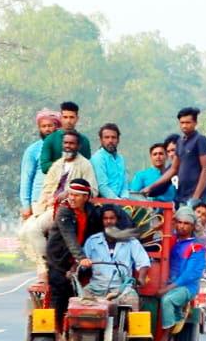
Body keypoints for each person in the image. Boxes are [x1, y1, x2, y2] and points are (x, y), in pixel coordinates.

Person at [19, 131, 98, 273]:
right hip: (47, 207)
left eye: (72, 143)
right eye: (66, 143)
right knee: (23, 231)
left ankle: (45, 266)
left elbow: (92, 190)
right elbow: (46, 189)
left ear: (78, 146)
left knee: (33, 230)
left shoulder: (85, 165)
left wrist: (70, 193)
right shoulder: (57, 165)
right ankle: (41, 263)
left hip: (66, 209)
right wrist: (40, 207)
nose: (68, 146)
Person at [45, 179, 102, 329]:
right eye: (70, 194)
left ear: (86, 197)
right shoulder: (64, 211)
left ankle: (78, 330)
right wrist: (82, 258)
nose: (71, 198)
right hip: (59, 261)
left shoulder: (91, 211)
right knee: (60, 295)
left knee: (81, 296)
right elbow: (69, 237)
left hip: (78, 262)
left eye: (76, 195)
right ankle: (55, 333)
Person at [153, 206, 206, 341]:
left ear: (192, 226)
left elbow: (190, 275)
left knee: (168, 300)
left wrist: (167, 289)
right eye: (180, 222)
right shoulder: (171, 240)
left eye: (186, 223)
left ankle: (166, 338)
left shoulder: (196, 247)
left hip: (186, 287)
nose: (182, 226)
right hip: (167, 281)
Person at [81, 204, 150, 311]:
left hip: (122, 289)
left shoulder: (131, 242)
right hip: (96, 287)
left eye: (112, 218)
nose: (108, 221)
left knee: (132, 299)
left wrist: (141, 278)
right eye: (105, 218)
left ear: (118, 220)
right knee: (80, 301)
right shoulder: (92, 241)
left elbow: (143, 262)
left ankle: (128, 327)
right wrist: (79, 266)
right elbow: (82, 262)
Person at [145, 107, 206, 205]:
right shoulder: (180, 142)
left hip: (197, 198)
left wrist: (196, 197)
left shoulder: (200, 140)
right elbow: (173, 169)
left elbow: (205, 169)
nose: (184, 126)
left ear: (195, 123)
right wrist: (150, 187)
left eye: (188, 122)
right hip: (182, 196)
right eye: (182, 123)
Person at [20, 109, 61, 220]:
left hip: (61, 200)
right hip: (38, 201)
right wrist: (26, 206)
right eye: (43, 126)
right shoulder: (33, 150)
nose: (47, 129)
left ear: (57, 127)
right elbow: (26, 179)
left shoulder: (65, 147)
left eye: (50, 126)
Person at [39, 101, 93, 174]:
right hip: (55, 183)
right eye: (65, 117)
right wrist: (67, 164)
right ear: (61, 118)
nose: (68, 121)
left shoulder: (84, 140)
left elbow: (87, 166)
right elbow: (44, 167)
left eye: (71, 117)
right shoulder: (50, 139)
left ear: (77, 118)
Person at [90, 123, 128, 200]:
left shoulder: (120, 159)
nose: (110, 140)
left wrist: (125, 198)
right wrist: (119, 202)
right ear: (101, 140)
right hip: (105, 202)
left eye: (113, 137)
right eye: (106, 137)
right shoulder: (98, 158)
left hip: (121, 200)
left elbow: (124, 184)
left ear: (118, 140)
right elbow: (102, 187)